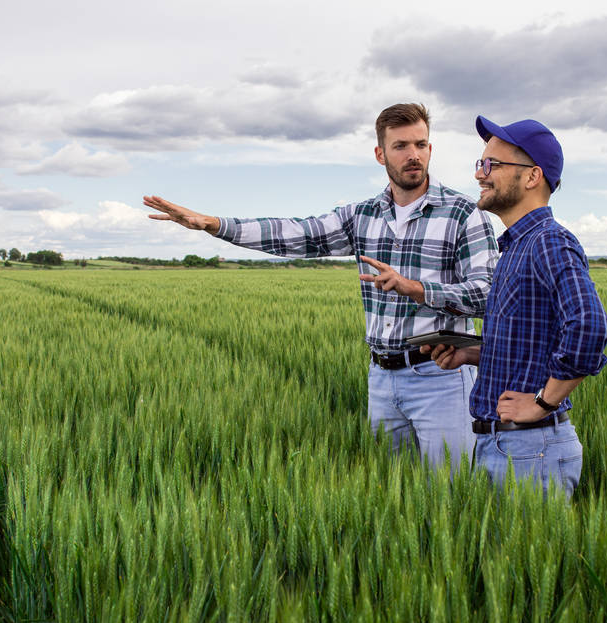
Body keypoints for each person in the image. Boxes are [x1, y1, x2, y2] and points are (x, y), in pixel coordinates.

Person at [143, 103, 499, 471]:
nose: (414, 155)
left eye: (421, 145)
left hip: (441, 379)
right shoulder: (362, 215)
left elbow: (489, 294)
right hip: (381, 380)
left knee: (453, 496)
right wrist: (213, 224)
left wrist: (417, 289)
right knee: (391, 493)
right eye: (401, 146)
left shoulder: (462, 214)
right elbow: (296, 233)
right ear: (380, 154)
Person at [423, 116, 607, 499]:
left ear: (531, 177)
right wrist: (472, 354)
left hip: (531, 450)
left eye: (492, 165)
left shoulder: (548, 242)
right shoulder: (516, 248)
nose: (480, 174)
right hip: (510, 448)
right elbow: (531, 339)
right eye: (480, 163)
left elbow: (590, 326)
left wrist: (544, 401)